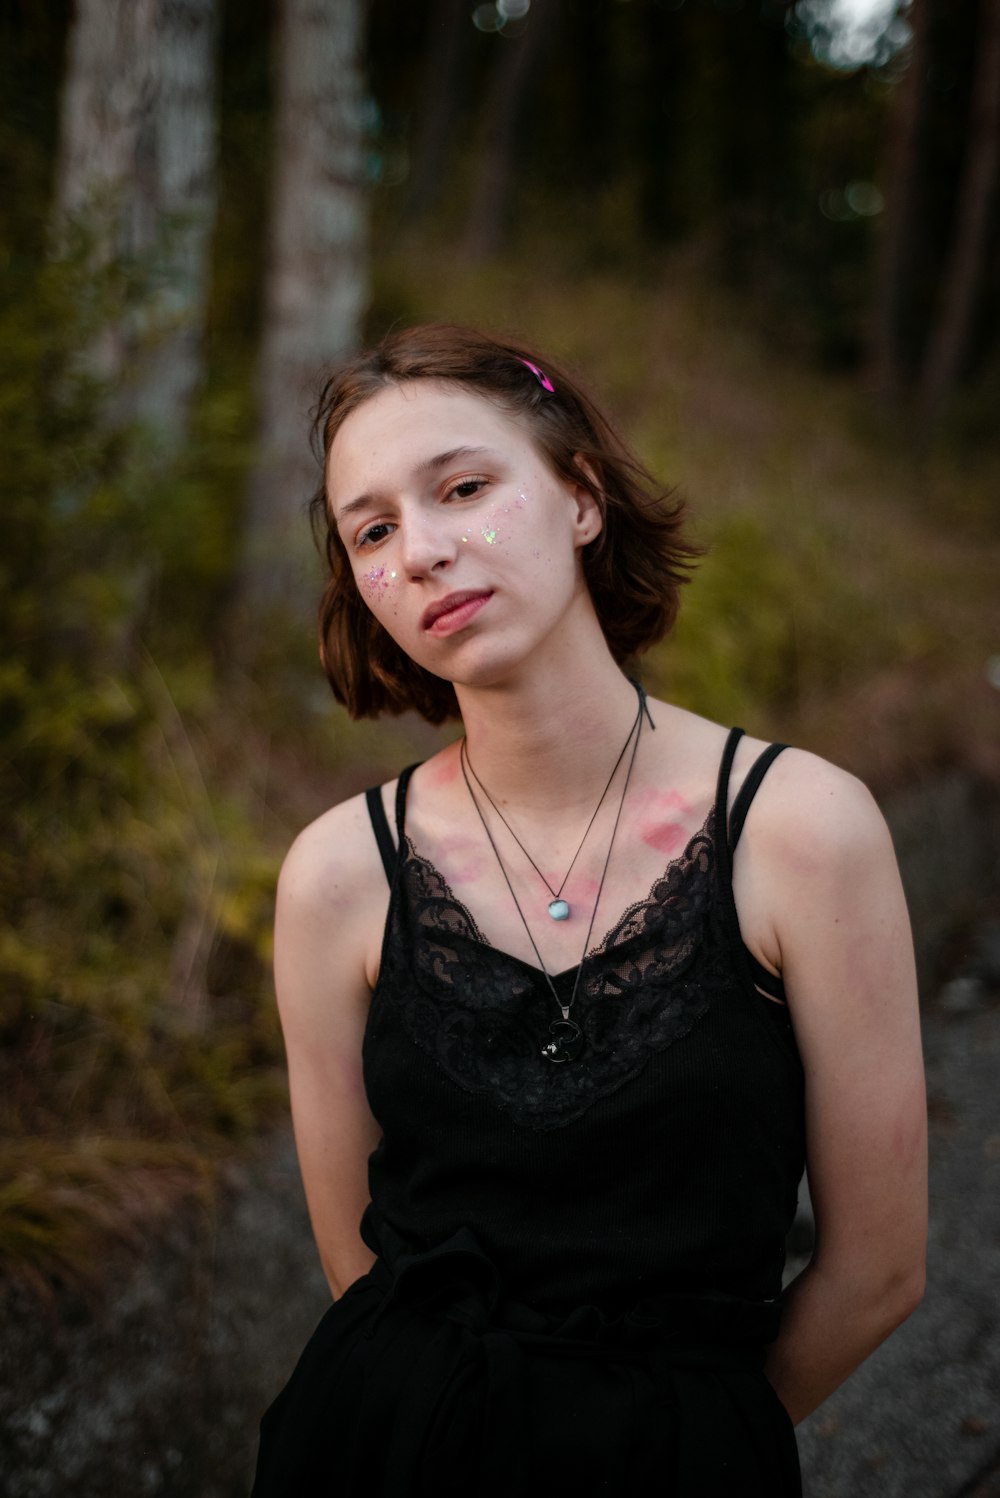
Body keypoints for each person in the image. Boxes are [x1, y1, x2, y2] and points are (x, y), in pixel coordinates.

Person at [250, 324, 927, 1498]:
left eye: (462, 487)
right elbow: (358, 1262)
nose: (422, 550)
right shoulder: (335, 877)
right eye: (373, 529)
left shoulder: (803, 831)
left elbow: (876, 1271)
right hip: (384, 1456)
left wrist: (677, 1440)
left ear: (580, 498)